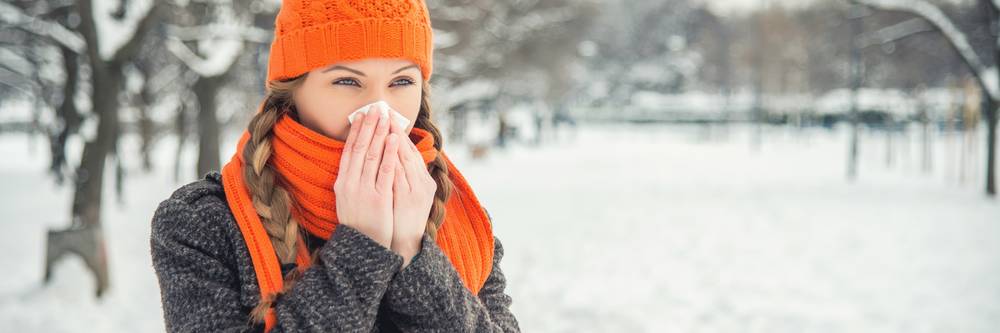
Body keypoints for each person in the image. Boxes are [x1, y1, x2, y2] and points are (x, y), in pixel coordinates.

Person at [149, 0, 520, 331]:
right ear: (290, 91)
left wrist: (413, 251)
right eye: (347, 80)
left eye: (401, 81)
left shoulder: (462, 219)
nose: (380, 109)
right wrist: (362, 249)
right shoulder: (202, 224)